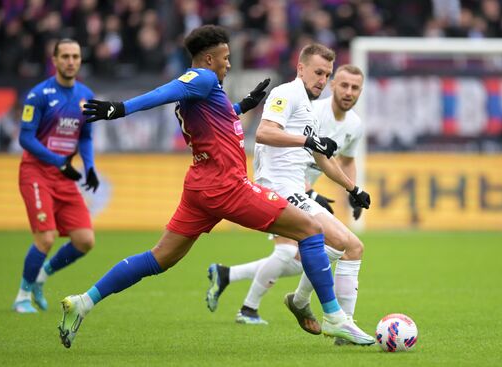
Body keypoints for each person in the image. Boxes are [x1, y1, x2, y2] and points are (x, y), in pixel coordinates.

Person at [58, 25, 367, 349]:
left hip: (200, 186)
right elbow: (166, 91)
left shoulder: (205, 93)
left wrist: (242, 106)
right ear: (209, 58)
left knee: (158, 258)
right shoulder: (202, 78)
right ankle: (334, 317)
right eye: (225, 58)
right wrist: (120, 108)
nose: (229, 64)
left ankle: (83, 301)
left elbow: (217, 120)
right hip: (226, 185)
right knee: (310, 229)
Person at [206, 53, 374, 346]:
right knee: (324, 248)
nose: (322, 81)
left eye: (326, 74)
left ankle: (318, 313)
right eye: (320, 74)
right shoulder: (287, 93)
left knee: (342, 246)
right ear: (301, 68)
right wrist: (309, 156)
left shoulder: (316, 112)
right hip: (280, 189)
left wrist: (353, 190)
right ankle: (321, 316)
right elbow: (264, 132)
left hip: (296, 188)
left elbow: (324, 158)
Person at [12, 39, 99, 314]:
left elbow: (85, 136)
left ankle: (41, 276)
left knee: (85, 241)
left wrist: (90, 166)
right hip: (36, 173)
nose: (71, 61)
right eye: (65, 56)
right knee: (46, 237)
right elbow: (25, 138)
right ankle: (22, 296)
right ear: (55, 59)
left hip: (64, 177)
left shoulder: (85, 95)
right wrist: (60, 163)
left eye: (75, 56)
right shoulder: (38, 94)